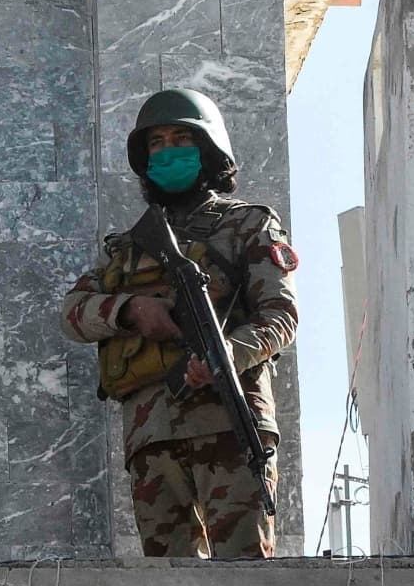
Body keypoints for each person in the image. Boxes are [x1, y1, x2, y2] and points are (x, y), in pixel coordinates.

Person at [61, 88, 299, 558]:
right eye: (157, 143)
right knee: (168, 584)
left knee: (245, 569)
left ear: (207, 150)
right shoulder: (127, 248)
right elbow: (73, 312)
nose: (168, 151)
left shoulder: (248, 224)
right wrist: (129, 310)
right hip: (152, 434)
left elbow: (280, 315)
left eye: (181, 140)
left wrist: (228, 354)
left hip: (229, 421)